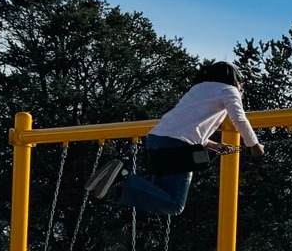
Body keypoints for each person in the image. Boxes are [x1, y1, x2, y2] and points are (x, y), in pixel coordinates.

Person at [88, 61, 263, 215]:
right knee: (174, 205)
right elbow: (239, 119)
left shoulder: (197, 89)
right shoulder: (229, 90)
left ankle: (115, 186)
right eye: (242, 85)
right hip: (179, 147)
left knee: (158, 192)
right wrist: (254, 144)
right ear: (235, 80)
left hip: (157, 138)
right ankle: (122, 177)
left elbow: (185, 124)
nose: (242, 89)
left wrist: (213, 145)